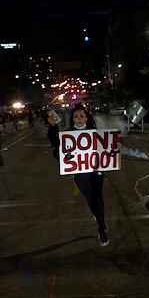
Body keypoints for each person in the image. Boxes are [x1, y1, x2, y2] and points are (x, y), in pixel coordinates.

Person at [46, 104, 123, 247]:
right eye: (76, 116)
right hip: (80, 174)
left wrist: (116, 143)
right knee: (90, 199)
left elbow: (107, 148)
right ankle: (100, 219)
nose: (79, 119)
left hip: (96, 172)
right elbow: (56, 147)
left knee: (98, 197)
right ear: (72, 119)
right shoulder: (68, 134)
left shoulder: (96, 133)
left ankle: (101, 228)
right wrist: (52, 127)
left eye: (81, 116)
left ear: (87, 118)